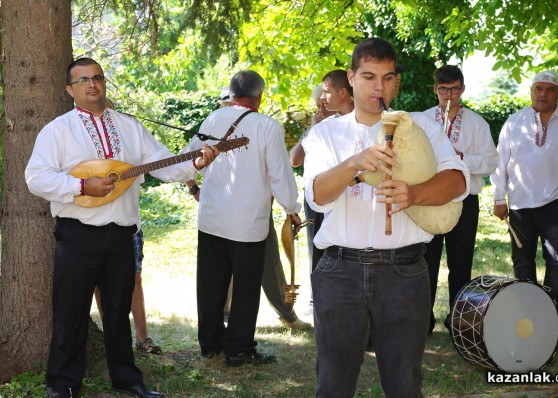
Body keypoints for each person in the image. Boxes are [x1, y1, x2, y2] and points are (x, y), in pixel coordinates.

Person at [25, 57, 217, 398]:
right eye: (83, 80)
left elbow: (163, 164)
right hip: (78, 234)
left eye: (97, 77)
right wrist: (81, 188)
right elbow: (36, 177)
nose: (92, 84)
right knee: (71, 311)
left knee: (117, 310)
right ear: (70, 89)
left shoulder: (129, 126)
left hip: (121, 235)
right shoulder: (58, 130)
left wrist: (195, 163)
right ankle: (62, 385)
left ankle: (127, 379)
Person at [302, 38, 469, 397]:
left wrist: (414, 194)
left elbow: (457, 181)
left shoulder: (420, 126)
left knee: (404, 383)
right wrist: (354, 163)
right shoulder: (326, 133)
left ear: (396, 81)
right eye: (368, 76)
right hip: (340, 271)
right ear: (351, 78)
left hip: (404, 270)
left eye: (387, 77)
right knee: (333, 382)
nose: (379, 87)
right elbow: (316, 196)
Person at [180, 70, 301, 366]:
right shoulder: (267, 126)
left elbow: (189, 157)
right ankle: (239, 349)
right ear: (259, 96)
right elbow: (280, 174)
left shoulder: (213, 118)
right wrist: (291, 207)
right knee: (245, 289)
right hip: (247, 223)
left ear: (232, 94)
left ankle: (210, 344)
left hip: (212, 218)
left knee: (210, 284)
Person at [491, 70, 558, 310]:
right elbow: (500, 162)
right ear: (531, 92)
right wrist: (499, 198)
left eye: (550, 89)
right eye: (538, 88)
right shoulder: (514, 121)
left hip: (556, 202)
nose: (543, 94)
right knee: (522, 260)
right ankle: (529, 308)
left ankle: (549, 307)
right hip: (519, 204)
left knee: (557, 259)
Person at [423, 65, 498, 334]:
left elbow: (491, 162)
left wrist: (461, 156)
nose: (449, 95)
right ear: (435, 89)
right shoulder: (422, 120)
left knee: (460, 262)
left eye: (454, 88)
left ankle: (457, 322)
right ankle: (424, 321)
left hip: (465, 200)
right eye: (443, 89)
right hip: (429, 198)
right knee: (426, 261)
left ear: (462, 89)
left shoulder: (478, 123)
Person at [93, 98, 161, 355]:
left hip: (128, 225)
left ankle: (142, 337)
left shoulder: (128, 142)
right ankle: (111, 333)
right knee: (99, 283)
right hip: (94, 227)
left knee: (134, 278)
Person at [290, 70, 354, 273]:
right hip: (321, 194)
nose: (321, 108)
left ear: (343, 93)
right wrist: (312, 127)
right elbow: (294, 160)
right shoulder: (319, 127)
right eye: (318, 105)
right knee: (318, 247)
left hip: (353, 201)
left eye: (325, 100)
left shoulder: (361, 119)